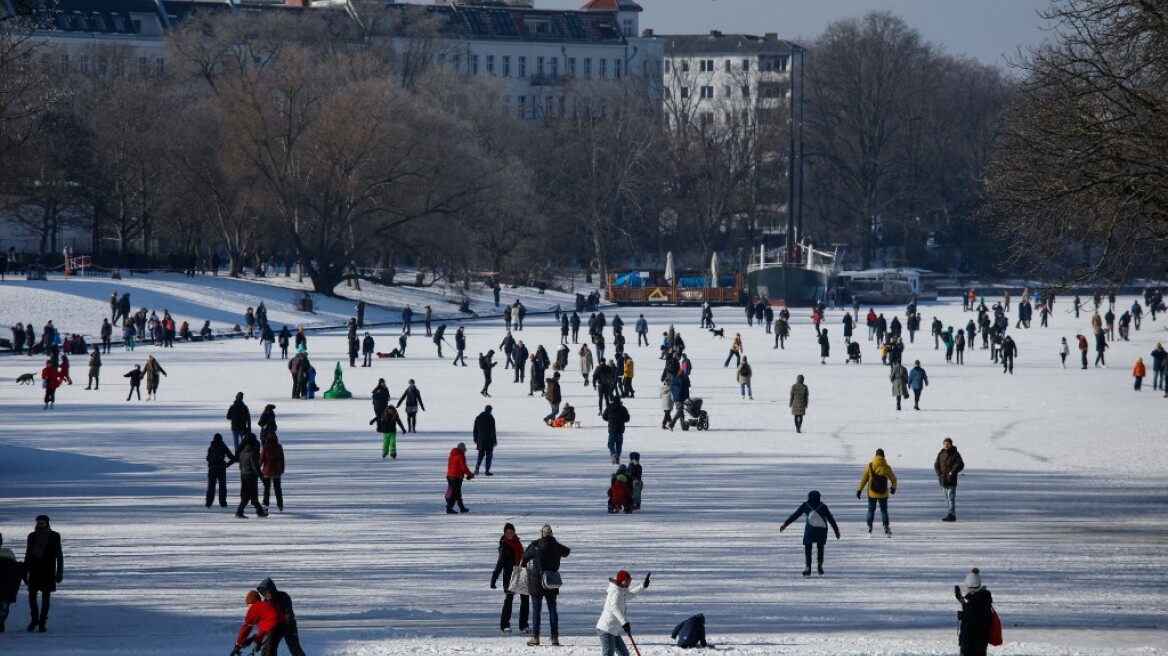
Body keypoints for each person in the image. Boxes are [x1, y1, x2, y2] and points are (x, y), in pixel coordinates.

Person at [522, 524, 570, 646]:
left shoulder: (535, 545)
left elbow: (524, 557)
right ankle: (554, 637)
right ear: (551, 533)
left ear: (541, 533)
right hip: (551, 581)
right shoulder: (556, 546)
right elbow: (567, 552)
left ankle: (535, 637)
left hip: (536, 581)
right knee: (552, 609)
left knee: (536, 610)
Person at [779, 491, 841, 577]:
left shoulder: (805, 505)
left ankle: (808, 567)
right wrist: (836, 530)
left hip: (810, 529)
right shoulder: (823, 506)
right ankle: (820, 565)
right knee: (820, 547)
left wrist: (785, 524)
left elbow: (795, 515)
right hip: (822, 529)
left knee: (808, 547)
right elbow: (831, 519)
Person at [596, 569, 649, 656]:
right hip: (606, 629)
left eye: (630, 581)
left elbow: (630, 595)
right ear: (622, 580)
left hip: (613, 630)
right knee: (608, 654)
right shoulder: (615, 591)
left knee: (624, 654)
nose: (629, 583)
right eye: (627, 581)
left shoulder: (622, 590)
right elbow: (614, 607)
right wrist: (624, 623)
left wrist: (643, 586)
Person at [23, 515, 63, 632]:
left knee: (46, 598)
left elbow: (59, 555)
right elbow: (28, 554)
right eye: (39, 523)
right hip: (34, 570)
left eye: (42, 523)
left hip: (48, 572)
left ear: (47, 523)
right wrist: (25, 571)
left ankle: (42, 622)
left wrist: (59, 572)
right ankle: (34, 620)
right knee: (32, 597)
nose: (40, 525)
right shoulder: (32, 536)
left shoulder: (54, 536)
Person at [490, 523, 530, 635]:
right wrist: (494, 578)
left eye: (511, 532)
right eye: (507, 532)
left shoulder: (518, 543)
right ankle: (505, 625)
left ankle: (524, 625)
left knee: (525, 599)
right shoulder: (504, 546)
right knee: (509, 600)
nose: (509, 534)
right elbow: (500, 564)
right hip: (510, 575)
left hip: (521, 572)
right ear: (504, 533)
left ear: (514, 532)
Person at [256, 578, 306, 656]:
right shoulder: (265, 603)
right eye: (263, 594)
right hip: (275, 628)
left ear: (271, 589)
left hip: (288, 626)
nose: (266, 595)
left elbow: (288, 613)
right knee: (266, 650)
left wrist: (288, 623)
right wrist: (260, 640)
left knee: (295, 649)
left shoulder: (283, 597)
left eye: (267, 592)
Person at [857, 448, 898, 536]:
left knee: (871, 510)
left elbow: (864, 478)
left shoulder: (870, 465)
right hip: (883, 493)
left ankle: (869, 527)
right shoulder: (886, 467)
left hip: (872, 492)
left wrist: (859, 489)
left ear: (875, 455)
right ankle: (886, 528)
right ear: (883, 456)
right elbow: (894, 479)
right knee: (884, 510)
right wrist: (893, 488)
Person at [955, 568, 994, 656]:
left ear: (970, 586)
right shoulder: (984, 600)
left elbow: (968, 625)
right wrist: (963, 603)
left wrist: (964, 647)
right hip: (981, 644)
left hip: (971, 646)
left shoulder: (974, 602)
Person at [235, 589, 282, 655]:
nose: (248, 607)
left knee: (266, 652)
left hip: (273, 627)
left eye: (248, 604)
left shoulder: (255, 607)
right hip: (282, 626)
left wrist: (238, 642)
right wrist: (257, 639)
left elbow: (247, 626)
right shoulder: (264, 605)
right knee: (269, 650)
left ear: (251, 602)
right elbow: (265, 628)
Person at [234, 432, 268, 519]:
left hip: (244, 475)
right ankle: (239, 511)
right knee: (248, 495)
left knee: (252, 495)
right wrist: (262, 478)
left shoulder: (242, 452)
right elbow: (255, 467)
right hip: (251, 476)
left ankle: (259, 511)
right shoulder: (252, 453)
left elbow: (241, 464)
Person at [935, 437, 965, 522]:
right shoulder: (941, 453)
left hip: (951, 479)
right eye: (945, 443)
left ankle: (952, 515)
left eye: (948, 443)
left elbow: (961, 464)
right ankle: (950, 513)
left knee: (951, 498)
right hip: (943, 479)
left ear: (951, 444)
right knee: (947, 498)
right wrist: (939, 474)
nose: (946, 445)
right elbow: (936, 464)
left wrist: (953, 471)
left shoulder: (955, 453)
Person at [0, 533, 24, 633]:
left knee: (3, 605)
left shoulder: (8, 555)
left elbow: (15, 574)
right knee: (3, 606)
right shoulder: (9, 555)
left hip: (5, 587)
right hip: (7, 588)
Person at [206, 433, 237, 508]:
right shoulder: (223, 446)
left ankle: (208, 503)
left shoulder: (211, 447)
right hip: (221, 468)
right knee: (222, 486)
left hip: (212, 468)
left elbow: (208, 458)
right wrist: (227, 464)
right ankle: (222, 503)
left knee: (211, 486)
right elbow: (232, 457)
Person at [445, 442, 474, 513]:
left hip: (450, 476)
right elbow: (463, 467)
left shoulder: (452, 455)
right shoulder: (461, 455)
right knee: (455, 494)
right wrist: (470, 474)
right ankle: (449, 508)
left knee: (457, 493)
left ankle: (462, 508)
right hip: (456, 477)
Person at [259, 433, 285, 512]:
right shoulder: (279, 446)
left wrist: (258, 467)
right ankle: (280, 505)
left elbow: (262, 458)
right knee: (278, 489)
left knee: (267, 489)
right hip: (277, 471)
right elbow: (282, 458)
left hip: (267, 470)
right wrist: (282, 469)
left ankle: (266, 504)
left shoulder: (266, 447)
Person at [602, 397, 630, 465]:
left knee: (610, 444)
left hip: (612, 429)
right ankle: (617, 456)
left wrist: (610, 420)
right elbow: (627, 418)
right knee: (619, 445)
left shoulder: (609, 407)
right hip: (620, 429)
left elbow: (604, 416)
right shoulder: (623, 408)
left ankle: (613, 454)